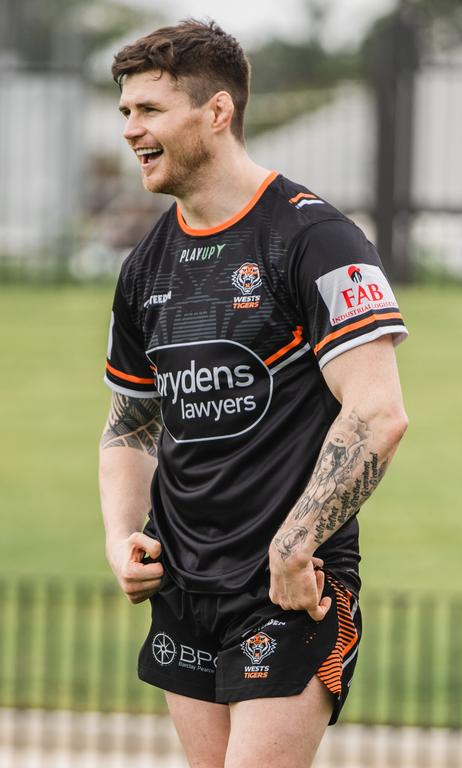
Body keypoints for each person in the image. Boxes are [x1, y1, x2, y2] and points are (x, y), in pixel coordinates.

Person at [99, 19, 408, 768]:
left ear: (216, 112)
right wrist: (119, 536)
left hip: (288, 588)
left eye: (150, 110)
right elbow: (132, 423)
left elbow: (378, 411)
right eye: (126, 113)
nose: (132, 130)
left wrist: (296, 544)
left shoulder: (315, 238)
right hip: (182, 585)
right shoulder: (147, 261)